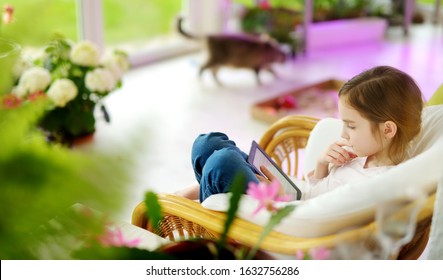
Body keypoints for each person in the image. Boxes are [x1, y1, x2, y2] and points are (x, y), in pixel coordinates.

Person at [175, 65, 424, 202]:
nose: (344, 133)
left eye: (351, 125)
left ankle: (203, 209)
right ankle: (206, 193)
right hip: (293, 192)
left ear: (388, 129)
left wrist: (277, 195)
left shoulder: (377, 185)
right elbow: (316, 188)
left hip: (285, 215)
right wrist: (322, 165)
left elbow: (317, 215)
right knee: (208, 142)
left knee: (223, 162)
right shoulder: (363, 153)